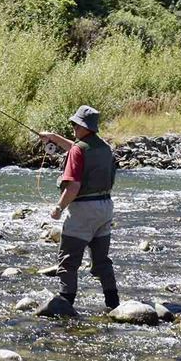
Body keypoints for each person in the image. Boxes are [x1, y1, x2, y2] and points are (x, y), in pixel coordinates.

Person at [36, 105, 120, 316]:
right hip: (106, 207)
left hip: (83, 210)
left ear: (83, 126)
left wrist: (59, 208)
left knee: (68, 260)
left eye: (75, 124)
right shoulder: (104, 147)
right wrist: (54, 137)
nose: (73, 127)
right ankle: (114, 303)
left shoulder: (78, 150)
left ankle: (65, 304)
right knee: (102, 261)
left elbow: (73, 186)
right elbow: (77, 147)